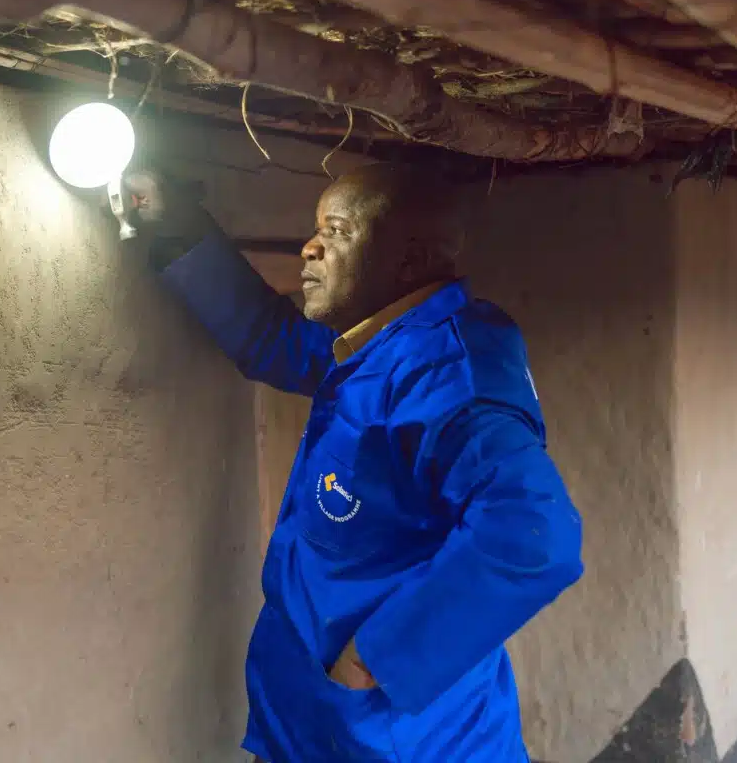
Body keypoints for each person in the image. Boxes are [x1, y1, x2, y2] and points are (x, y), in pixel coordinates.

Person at [126, 166, 584, 762]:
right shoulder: (382, 343)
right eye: (317, 230)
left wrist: (374, 660)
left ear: (408, 260)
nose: (310, 247)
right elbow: (275, 341)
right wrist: (179, 228)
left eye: (337, 232)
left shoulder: (448, 376)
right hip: (319, 720)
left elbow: (534, 536)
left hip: (397, 737)